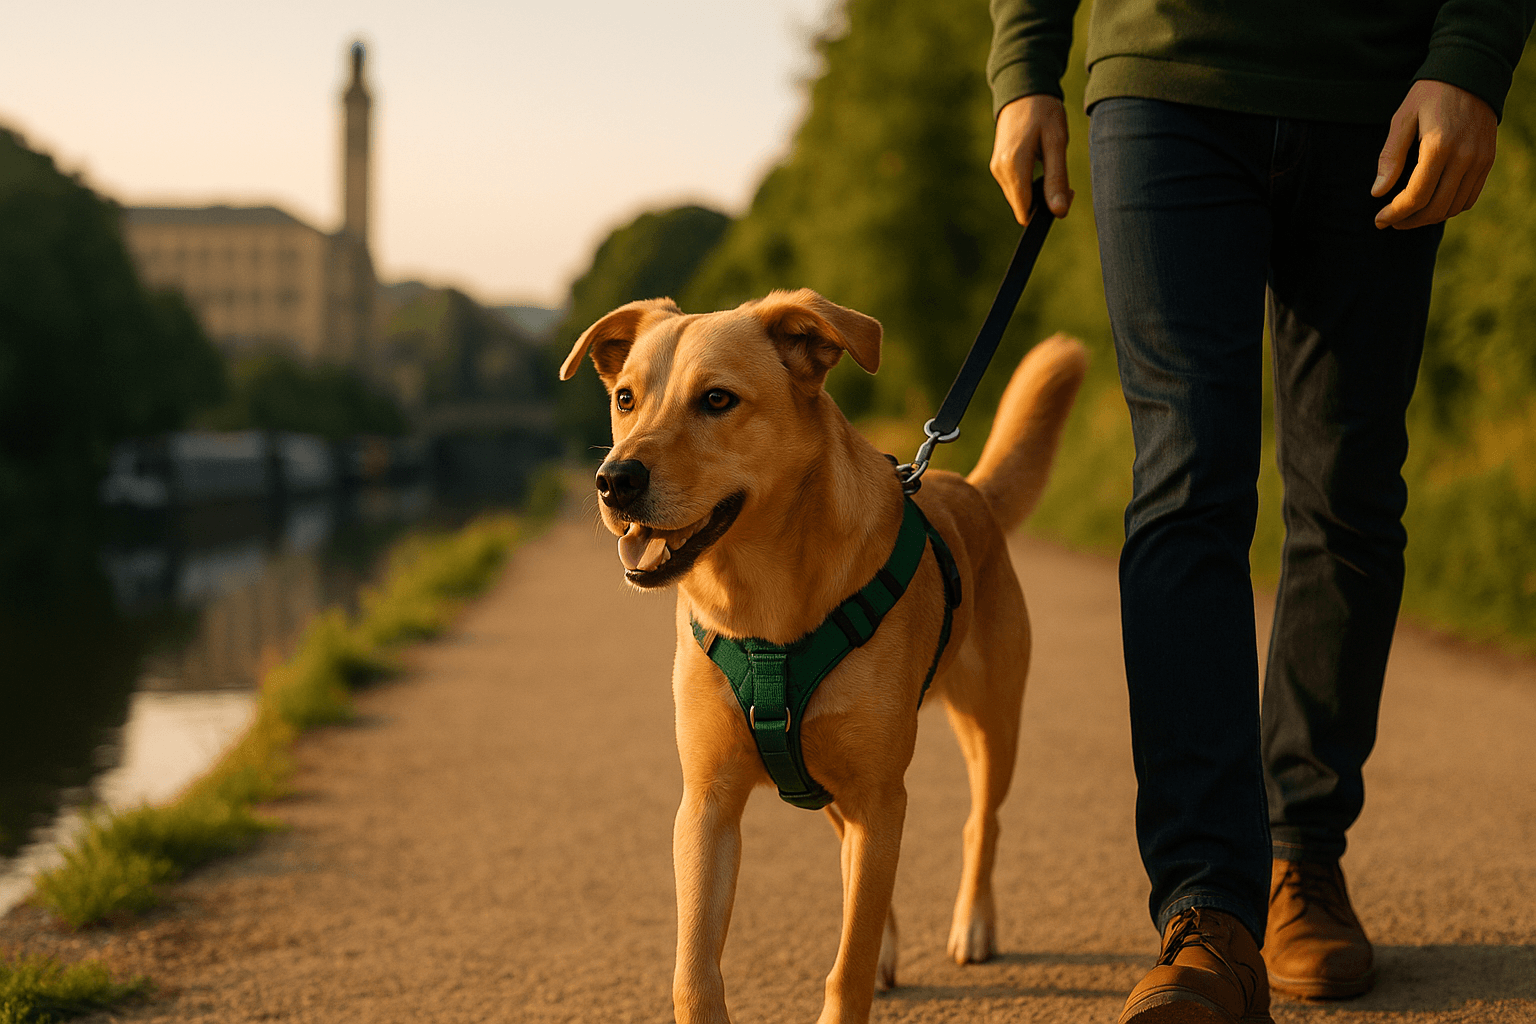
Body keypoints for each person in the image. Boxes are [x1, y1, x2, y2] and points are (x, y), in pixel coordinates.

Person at [985, 3, 1534, 1022]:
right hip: (1165, 79)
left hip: (1379, 85)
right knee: (1185, 471)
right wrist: (1024, 65)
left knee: (1350, 485)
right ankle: (1207, 911)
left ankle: (1303, 859)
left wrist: (1472, 54)